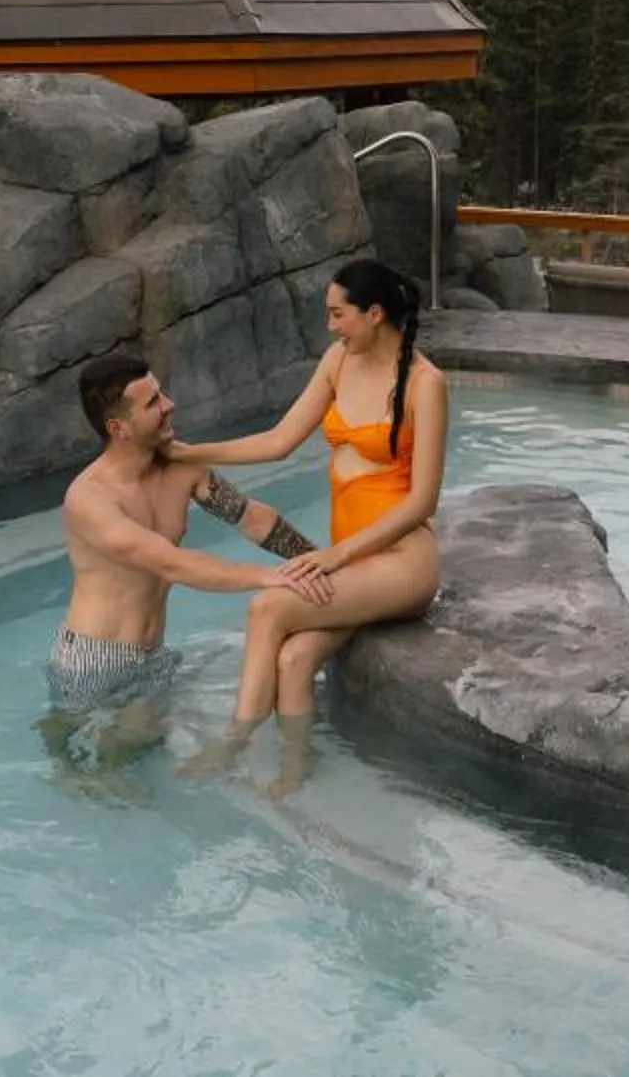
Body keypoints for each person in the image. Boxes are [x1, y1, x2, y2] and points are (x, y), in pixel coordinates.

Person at [166, 257, 447, 781]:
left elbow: (423, 501)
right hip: (354, 563)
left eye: (338, 314)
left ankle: (236, 741)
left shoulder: (425, 383)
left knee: (267, 608)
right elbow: (278, 442)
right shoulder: (338, 362)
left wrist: (336, 556)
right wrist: (189, 453)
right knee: (294, 660)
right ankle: (295, 769)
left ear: (375, 314)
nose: (330, 325)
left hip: (402, 563)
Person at [44, 350, 330, 767]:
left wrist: (322, 561)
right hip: (92, 659)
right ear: (118, 427)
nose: (169, 405)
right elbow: (171, 562)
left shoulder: (183, 468)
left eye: (162, 394)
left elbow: (250, 518)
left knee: (137, 752)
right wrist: (270, 577)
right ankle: (63, 768)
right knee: (81, 756)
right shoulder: (89, 499)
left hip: (152, 654)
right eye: (153, 402)